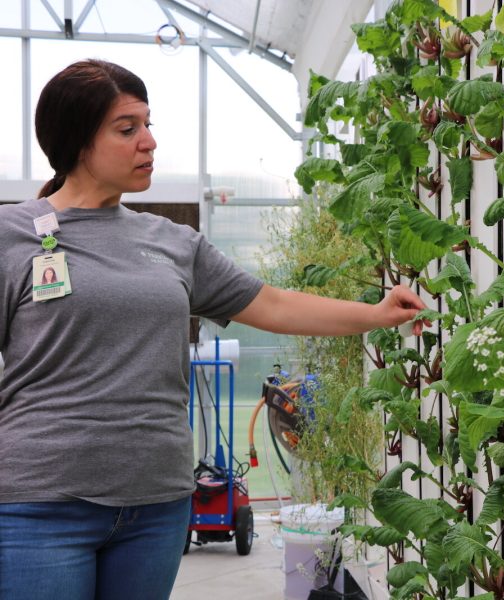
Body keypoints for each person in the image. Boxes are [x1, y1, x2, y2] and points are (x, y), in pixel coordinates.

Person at [0, 59, 428, 600]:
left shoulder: (172, 243)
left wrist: (377, 313)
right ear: (75, 140)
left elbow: (271, 304)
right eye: (127, 129)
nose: (149, 142)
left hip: (155, 505)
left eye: (149, 125)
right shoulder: (12, 236)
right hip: (40, 506)